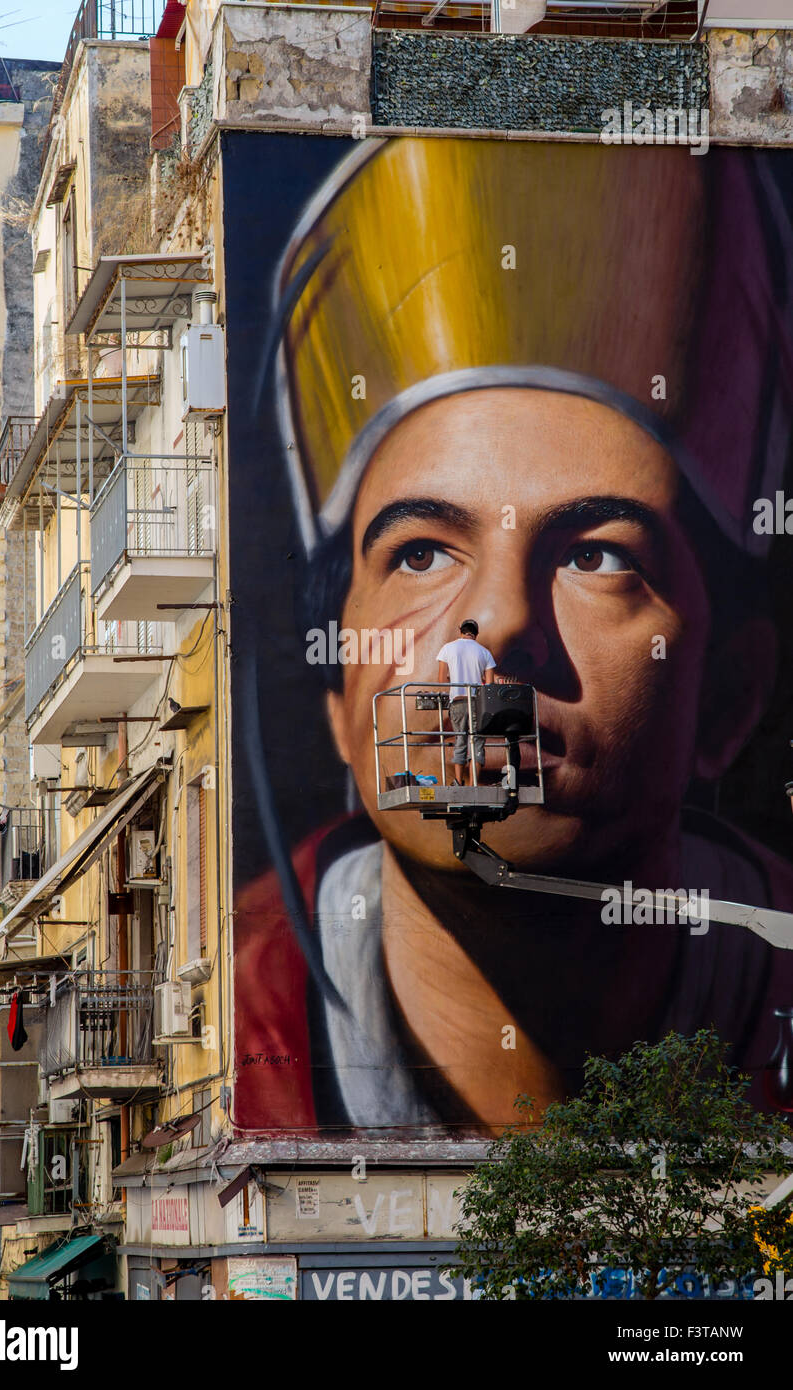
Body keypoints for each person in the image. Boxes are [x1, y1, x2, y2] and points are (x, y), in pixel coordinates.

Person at [233, 137, 793, 1137]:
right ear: (335, 689)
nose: (497, 628)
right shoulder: (236, 1011)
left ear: (728, 694)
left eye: (595, 555)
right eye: (417, 554)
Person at [437, 620, 496, 785]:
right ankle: (473, 784)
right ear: (476, 634)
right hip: (478, 703)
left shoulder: (447, 648)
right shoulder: (485, 653)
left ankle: (458, 781)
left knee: (460, 741)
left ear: (460, 631)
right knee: (477, 743)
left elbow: (442, 680)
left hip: (458, 701)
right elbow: (489, 685)